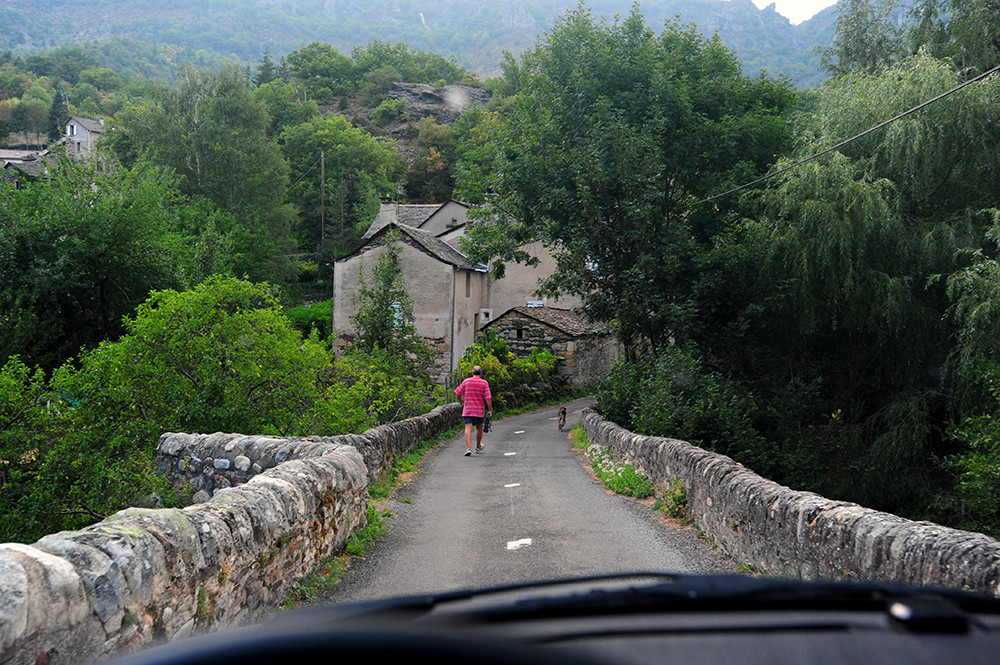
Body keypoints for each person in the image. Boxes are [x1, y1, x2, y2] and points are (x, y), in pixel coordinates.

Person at [454, 365, 493, 456]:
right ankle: (478, 447)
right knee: (479, 428)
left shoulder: (466, 381)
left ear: (472, 373)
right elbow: (488, 398)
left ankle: (468, 448)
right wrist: (490, 410)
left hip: (468, 409)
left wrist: (460, 399)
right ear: (481, 373)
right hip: (479, 410)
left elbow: (457, 392)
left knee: (468, 428)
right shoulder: (484, 383)